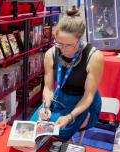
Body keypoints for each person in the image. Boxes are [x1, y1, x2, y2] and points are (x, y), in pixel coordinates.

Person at [30, 8, 104, 140]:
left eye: (68, 45)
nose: (63, 49)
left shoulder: (94, 57)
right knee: (32, 129)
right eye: (59, 43)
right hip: (59, 96)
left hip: (82, 102)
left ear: (80, 40)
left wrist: (69, 117)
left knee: (55, 135)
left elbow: (88, 96)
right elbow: (48, 88)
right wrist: (46, 106)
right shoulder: (51, 54)